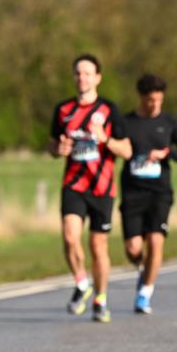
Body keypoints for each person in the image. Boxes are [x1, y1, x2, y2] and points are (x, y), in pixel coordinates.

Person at [48, 54, 131, 323]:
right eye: (78, 73)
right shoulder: (63, 110)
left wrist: (104, 138)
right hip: (73, 184)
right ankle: (82, 283)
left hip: (102, 187)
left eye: (87, 73)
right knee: (70, 237)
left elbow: (127, 150)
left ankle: (100, 298)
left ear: (97, 78)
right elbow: (52, 145)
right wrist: (58, 149)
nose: (82, 78)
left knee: (98, 246)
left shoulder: (109, 110)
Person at [119, 74, 177, 314]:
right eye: (151, 101)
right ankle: (143, 268)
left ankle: (145, 292)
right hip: (132, 192)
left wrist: (167, 154)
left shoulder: (169, 122)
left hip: (159, 192)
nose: (155, 105)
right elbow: (114, 146)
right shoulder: (127, 122)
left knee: (155, 241)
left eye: (159, 100)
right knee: (133, 248)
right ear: (141, 98)